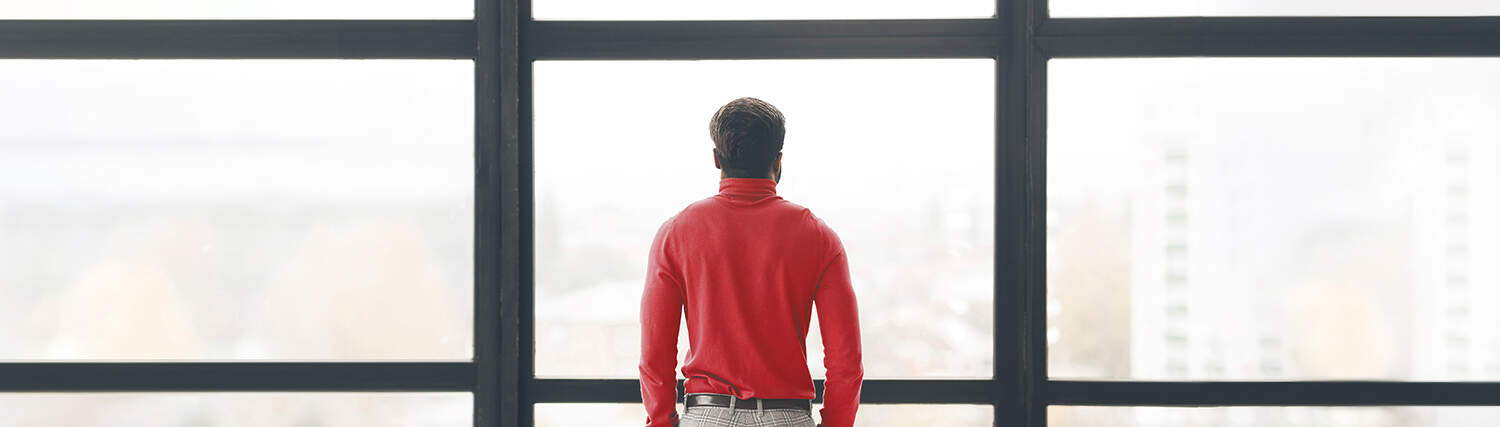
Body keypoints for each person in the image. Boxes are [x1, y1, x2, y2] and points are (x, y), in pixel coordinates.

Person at [639, 97, 863, 427]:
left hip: (706, 416)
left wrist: (661, 422)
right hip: (788, 417)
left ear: (716, 158)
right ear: (779, 159)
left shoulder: (675, 234)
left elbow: (654, 356)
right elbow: (846, 361)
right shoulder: (818, 237)